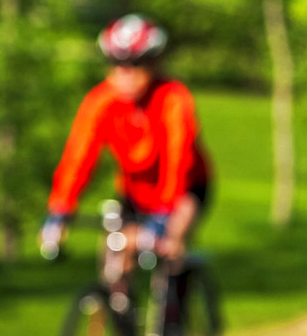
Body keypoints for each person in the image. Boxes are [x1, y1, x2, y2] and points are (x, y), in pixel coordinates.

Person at [40, 14, 212, 264]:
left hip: (184, 188)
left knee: (169, 245)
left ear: (155, 63)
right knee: (115, 252)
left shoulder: (172, 98)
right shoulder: (100, 102)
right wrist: (60, 208)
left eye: (137, 63)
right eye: (117, 63)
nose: (127, 73)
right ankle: (114, 300)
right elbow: (79, 156)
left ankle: (176, 294)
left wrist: (165, 214)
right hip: (135, 190)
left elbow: (178, 158)